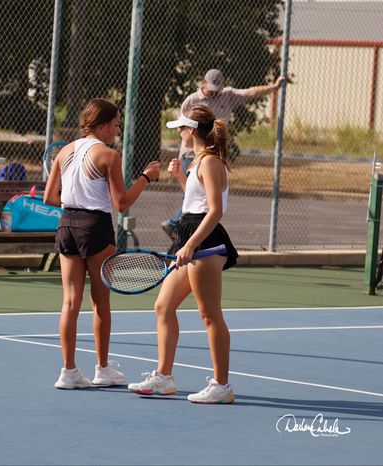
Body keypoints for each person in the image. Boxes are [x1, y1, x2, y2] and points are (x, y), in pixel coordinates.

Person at [44, 98, 161, 390]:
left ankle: (68, 372)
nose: (118, 129)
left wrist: (76, 204)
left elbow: (49, 198)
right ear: (103, 125)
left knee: (70, 301)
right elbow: (121, 203)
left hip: (67, 225)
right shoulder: (108, 155)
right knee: (101, 301)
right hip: (95, 228)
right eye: (116, 124)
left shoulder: (64, 152)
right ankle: (103, 369)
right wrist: (147, 177)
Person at [128, 104, 239, 404]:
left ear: (191, 131)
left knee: (209, 315)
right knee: (163, 306)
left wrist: (190, 245)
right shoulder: (198, 161)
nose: (178, 133)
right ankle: (164, 378)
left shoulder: (211, 162)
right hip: (189, 235)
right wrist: (181, 177)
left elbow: (214, 210)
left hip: (206, 241)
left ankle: (222, 386)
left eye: (181, 128)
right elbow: (196, 202)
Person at [162, 68, 286, 240]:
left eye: (216, 90)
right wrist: (181, 175)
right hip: (191, 155)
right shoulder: (192, 100)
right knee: (192, 197)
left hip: (201, 236)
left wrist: (273, 87)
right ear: (203, 83)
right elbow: (180, 130)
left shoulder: (210, 162)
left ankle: (177, 225)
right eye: (211, 88)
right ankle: (179, 227)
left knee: (198, 201)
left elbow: (250, 92)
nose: (213, 93)